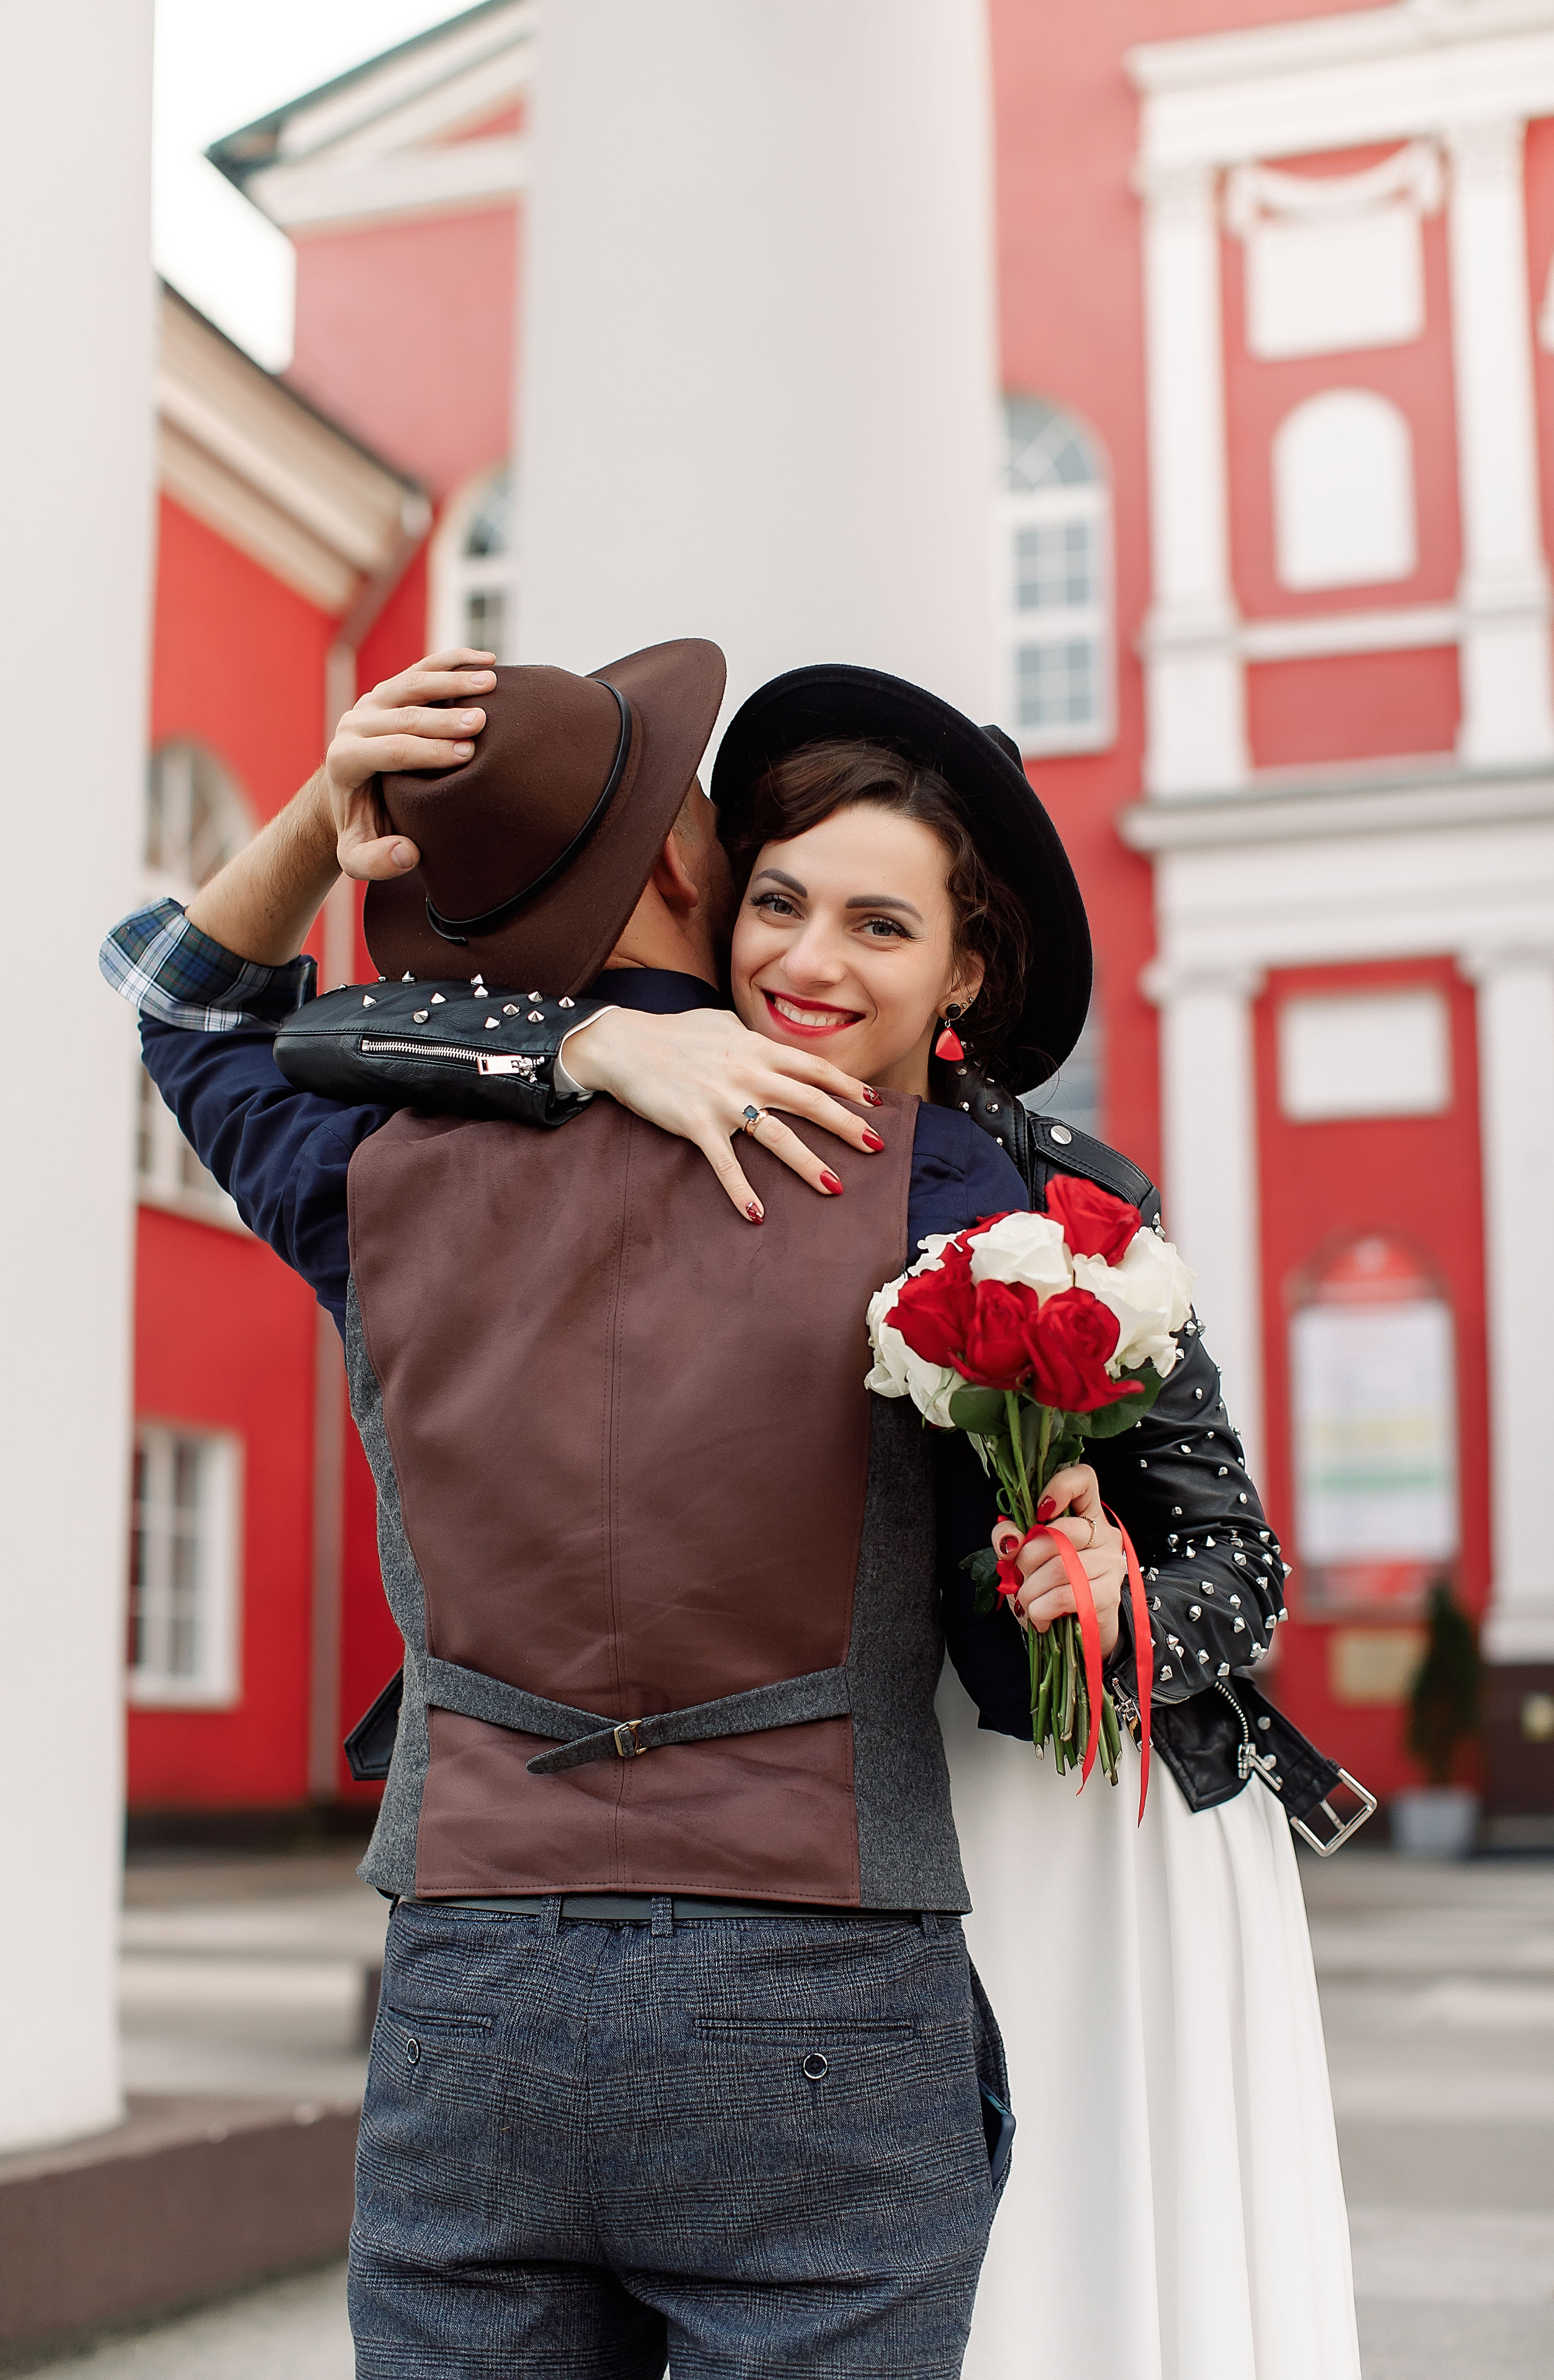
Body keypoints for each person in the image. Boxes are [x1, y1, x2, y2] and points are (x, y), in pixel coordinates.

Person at [306, 652, 1362, 2380]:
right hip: (782, 1847)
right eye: (780, 903)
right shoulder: (630, 1097)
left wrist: (1117, 1604)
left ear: (964, 969)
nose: (808, 963)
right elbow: (330, 1042)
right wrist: (593, 1040)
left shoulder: (1050, 1201)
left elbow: (1234, 1561)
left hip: (1040, 1820)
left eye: (879, 927)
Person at [101, 640, 1095, 2379]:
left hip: (472, 1974)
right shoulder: (938, 1178)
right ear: (680, 873)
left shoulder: (366, 1160)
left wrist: (331, 818)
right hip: (820, 1980)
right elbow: (1037, 1617)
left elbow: (186, 1004)